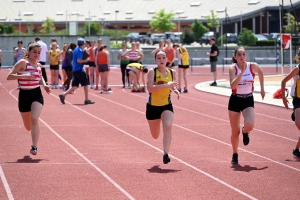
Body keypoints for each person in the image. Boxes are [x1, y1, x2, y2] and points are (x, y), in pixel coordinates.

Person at [6, 43, 50, 155]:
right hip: (24, 95)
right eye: (34, 52)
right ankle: (30, 125)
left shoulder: (39, 65)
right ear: (29, 52)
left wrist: (44, 85)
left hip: (36, 94)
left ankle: (34, 147)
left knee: (35, 118)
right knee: (27, 126)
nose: (36, 54)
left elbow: (40, 78)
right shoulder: (22, 63)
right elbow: (9, 76)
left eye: (39, 52)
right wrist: (24, 76)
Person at [228, 47, 265, 164]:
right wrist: (242, 72)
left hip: (248, 99)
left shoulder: (252, 66)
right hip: (235, 100)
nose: (241, 56)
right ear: (235, 57)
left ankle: (245, 132)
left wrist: (262, 88)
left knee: (249, 125)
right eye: (239, 54)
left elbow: (261, 72)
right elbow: (233, 86)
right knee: (235, 131)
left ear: (246, 56)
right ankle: (235, 154)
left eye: (243, 54)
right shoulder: (232, 68)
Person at [146, 50, 180, 164]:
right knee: (155, 135)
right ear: (155, 60)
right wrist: (167, 85)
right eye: (159, 58)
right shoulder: (152, 72)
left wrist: (175, 90)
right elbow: (149, 88)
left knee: (168, 126)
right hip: (153, 107)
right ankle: (156, 126)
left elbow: (173, 86)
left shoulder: (172, 72)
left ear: (167, 59)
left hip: (166, 105)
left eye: (163, 57)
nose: (161, 60)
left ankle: (166, 153)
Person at [59, 38, 95, 105]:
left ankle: (63, 95)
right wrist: (86, 60)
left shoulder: (75, 49)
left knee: (75, 85)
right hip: (80, 70)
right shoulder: (80, 50)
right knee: (85, 84)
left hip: (75, 69)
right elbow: (79, 60)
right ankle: (86, 99)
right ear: (83, 43)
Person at [281, 48, 300, 158]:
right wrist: (283, 97)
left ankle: (296, 149)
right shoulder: (297, 69)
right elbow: (284, 81)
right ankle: (295, 114)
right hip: (298, 100)